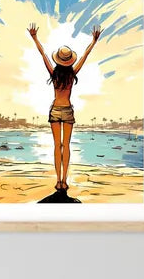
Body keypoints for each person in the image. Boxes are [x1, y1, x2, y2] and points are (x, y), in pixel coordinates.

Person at [27, 23, 102, 191]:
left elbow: (43, 54)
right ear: (69, 61)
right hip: (67, 110)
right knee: (65, 146)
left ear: (58, 60)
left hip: (55, 110)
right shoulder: (73, 73)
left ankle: (58, 180)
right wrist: (94, 41)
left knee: (56, 146)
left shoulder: (53, 74)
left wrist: (35, 38)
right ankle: (64, 181)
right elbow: (85, 56)